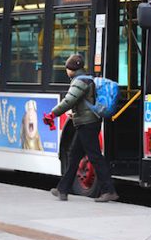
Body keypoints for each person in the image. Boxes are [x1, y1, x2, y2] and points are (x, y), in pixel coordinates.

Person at [43, 54, 119, 203]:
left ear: (70, 69)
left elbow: (69, 100)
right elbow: (81, 103)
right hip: (86, 122)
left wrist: (53, 114)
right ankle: (62, 190)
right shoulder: (86, 79)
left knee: (95, 156)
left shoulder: (79, 81)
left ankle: (109, 191)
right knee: (74, 156)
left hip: (87, 124)